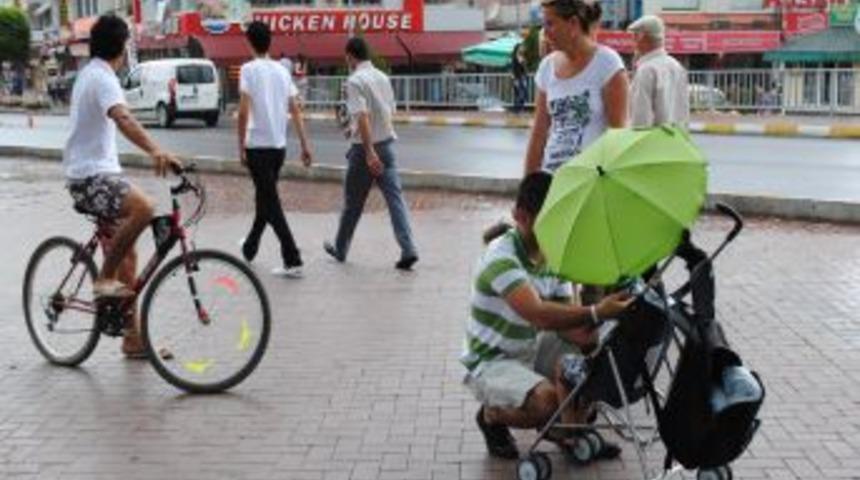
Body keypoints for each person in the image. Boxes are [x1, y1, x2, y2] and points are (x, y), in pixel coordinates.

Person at [462, 171, 633, 459]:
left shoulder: (551, 253)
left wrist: (608, 319)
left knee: (589, 363)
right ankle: (491, 416)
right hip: (490, 362)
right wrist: (595, 310)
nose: (555, 229)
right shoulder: (501, 259)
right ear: (521, 216)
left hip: (530, 349)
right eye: (546, 221)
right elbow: (540, 315)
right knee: (547, 403)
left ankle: (573, 436)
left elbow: (570, 326)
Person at [62, 14, 182, 357]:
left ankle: (132, 339)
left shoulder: (92, 74)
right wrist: (157, 150)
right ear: (121, 47)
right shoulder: (103, 78)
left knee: (130, 257)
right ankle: (103, 279)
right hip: (89, 178)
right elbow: (124, 118)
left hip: (98, 174)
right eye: (128, 44)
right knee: (143, 208)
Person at [323, 37, 419, 271]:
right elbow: (388, 112)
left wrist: (368, 152)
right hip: (387, 146)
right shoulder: (383, 78)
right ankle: (408, 248)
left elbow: (363, 116)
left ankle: (340, 248)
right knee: (395, 200)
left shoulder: (355, 80)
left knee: (352, 204)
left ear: (350, 56)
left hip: (364, 150)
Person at [238, 21, 314, 278]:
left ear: (249, 42)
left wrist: (240, 147)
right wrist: (304, 145)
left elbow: (244, 112)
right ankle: (250, 247)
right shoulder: (283, 71)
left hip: (257, 148)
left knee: (270, 202)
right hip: (278, 148)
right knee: (265, 199)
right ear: (269, 42)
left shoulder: (248, 70)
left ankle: (292, 258)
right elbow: (295, 110)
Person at [523, 0, 628, 174]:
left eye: (550, 24)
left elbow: (618, 134)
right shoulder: (547, 67)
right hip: (553, 182)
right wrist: (528, 186)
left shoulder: (608, 64)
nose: (544, 32)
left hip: (591, 182)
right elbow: (539, 133)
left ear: (573, 24)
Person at [627, 15, 689, 128]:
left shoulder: (646, 70)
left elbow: (640, 120)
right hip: (674, 138)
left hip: (652, 141)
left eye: (634, 36)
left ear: (641, 37)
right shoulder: (676, 66)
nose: (633, 41)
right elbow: (683, 111)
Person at [511, 43, 528, 114]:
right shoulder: (516, 58)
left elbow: (523, 68)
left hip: (521, 77)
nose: (523, 48)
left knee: (522, 93)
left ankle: (519, 109)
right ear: (518, 49)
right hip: (518, 77)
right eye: (521, 47)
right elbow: (514, 68)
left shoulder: (521, 57)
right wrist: (515, 78)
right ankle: (518, 110)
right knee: (520, 93)